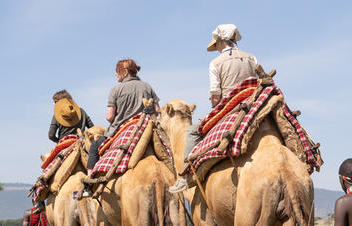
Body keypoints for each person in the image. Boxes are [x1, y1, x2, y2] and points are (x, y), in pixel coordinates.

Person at [169, 23, 258, 193]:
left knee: (194, 131)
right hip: (254, 104)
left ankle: (184, 176)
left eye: (216, 44)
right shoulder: (251, 58)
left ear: (220, 42)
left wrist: (214, 106)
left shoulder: (215, 63)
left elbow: (216, 97)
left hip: (230, 107)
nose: (216, 47)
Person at [81, 59, 160, 197]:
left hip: (123, 129)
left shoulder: (115, 90)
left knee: (94, 147)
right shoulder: (147, 86)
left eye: (117, 72)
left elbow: (109, 117)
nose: (116, 75)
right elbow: (157, 110)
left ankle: (89, 185)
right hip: (146, 127)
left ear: (124, 72)